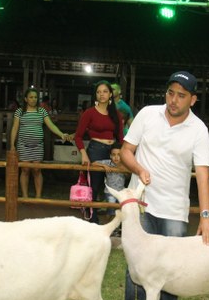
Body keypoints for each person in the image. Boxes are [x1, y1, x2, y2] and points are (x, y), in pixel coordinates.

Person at [119, 70, 209, 300]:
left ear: (192, 100)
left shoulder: (198, 129)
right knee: (137, 262)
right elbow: (126, 150)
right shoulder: (148, 114)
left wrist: (205, 215)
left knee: (174, 263)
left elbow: (203, 175)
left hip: (174, 208)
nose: (174, 100)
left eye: (181, 96)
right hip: (142, 204)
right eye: (171, 93)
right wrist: (138, 169)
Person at [9, 87, 72, 198]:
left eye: (35, 97)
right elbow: (14, 128)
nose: (33, 99)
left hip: (37, 146)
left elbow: (51, 125)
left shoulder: (42, 111)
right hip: (23, 145)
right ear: (25, 99)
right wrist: (12, 145)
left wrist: (62, 134)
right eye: (31, 97)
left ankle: (38, 197)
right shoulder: (19, 112)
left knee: (37, 170)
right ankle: (25, 196)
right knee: (25, 170)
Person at [74, 80, 123, 222]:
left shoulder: (116, 114)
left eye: (105, 91)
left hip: (113, 152)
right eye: (99, 92)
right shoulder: (89, 113)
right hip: (95, 150)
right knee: (94, 186)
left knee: (114, 185)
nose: (102, 94)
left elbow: (120, 137)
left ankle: (113, 219)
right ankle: (92, 218)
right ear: (95, 95)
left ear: (110, 94)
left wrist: (122, 155)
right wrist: (84, 154)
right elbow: (78, 136)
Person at [96, 146, 127, 235]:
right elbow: (93, 163)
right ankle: (108, 227)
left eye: (119, 155)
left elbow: (130, 173)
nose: (116, 157)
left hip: (121, 192)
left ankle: (116, 229)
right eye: (113, 155)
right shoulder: (108, 163)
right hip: (110, 192)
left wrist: (125, 170)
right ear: (110, 156)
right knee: (111, 211)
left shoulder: (124, 164)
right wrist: (103, 165)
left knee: (120, 211)